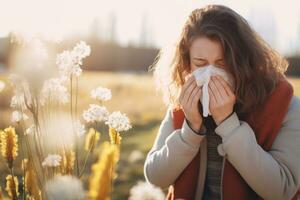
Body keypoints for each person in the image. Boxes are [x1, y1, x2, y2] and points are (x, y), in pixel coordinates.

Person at [144, 4, 300, 200]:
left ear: (244, 61)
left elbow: (282, 190)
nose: (210, 73)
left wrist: (228, 123)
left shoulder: (286, 106)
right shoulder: (184, 103)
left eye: (222, 64)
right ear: (187, 64)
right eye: (200, 64)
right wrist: (190, 129)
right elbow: (155, 177)